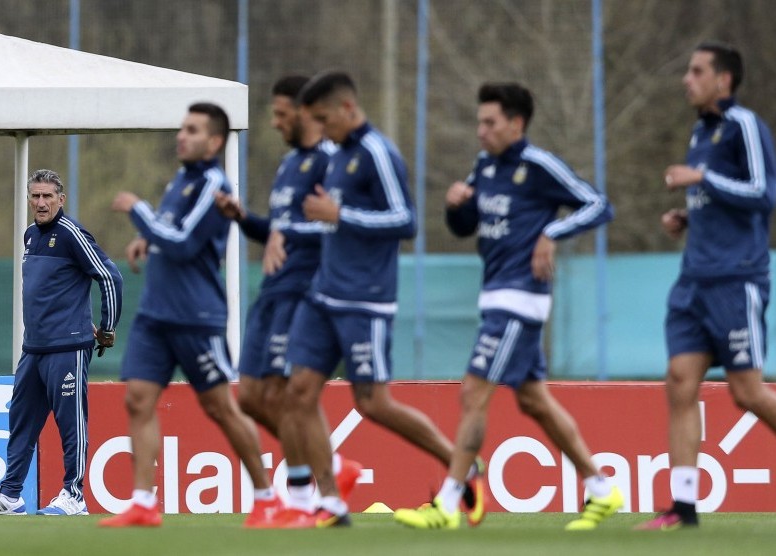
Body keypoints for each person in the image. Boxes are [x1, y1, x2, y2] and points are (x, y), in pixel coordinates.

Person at [394, 82, 621, 531]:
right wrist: (457, 206)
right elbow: (465, 228)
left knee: (473, 391)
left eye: (490, 122)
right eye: (480, 122)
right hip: (496, 293)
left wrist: (551, 234)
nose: (481, 131)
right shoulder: (485, 166)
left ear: (516, 124)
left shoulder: (538, 166)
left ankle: (450, 500)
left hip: (521, 298)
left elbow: (598, 204)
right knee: (534, 400)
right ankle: (601, 488)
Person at [278, 71, 484, 529]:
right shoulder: (338, 157)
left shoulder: (377, 152)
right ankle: (329, 501)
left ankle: (460, 463)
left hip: (365, 301)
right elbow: (333, 221)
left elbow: (405, 220)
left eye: (325, 118)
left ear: (348, 109)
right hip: (323, 296)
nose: (323, 130)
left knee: (373, 403)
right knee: (298, 392)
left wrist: (341, 214)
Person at [98, 103, 279, 528]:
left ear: (214, 141)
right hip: (155, 315)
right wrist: (147, 239)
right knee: (138, 399)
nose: (182, 135)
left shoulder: (214, 184)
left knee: (220, 408)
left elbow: (182, 243)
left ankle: (268, 497)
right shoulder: (181, 179)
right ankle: (143, 502)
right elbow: (169, 230)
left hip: (196, 317)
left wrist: (139, 212)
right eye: (182, 128)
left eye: (193, 130)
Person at [636, 42, 776, 530]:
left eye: (697, 71)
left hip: (736, 279)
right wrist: (686, 216)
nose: (686, 79)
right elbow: (718, 199)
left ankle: (685, 505)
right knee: (679, 381)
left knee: (748, 393)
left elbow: (763, 193)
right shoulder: (701, 132)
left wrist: (702, 177)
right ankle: (684, 506)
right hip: (694, 279)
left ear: (724, 80)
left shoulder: (745, 126)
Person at [214, 75, 361, 524]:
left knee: (288, 393)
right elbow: (279, 230)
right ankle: (330, 468)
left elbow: (337, 227)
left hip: (305, 290)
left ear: (304, 112)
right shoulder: (288, 164)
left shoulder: (330, 162)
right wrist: (246, 219)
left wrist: (286, 231)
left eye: (282, 115)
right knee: (253, 397)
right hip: (273, 289)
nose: (275, 123)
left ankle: (306, 498)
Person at [0, 169, 123, 516]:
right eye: (35, 196)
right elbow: (53, 290)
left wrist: (107, 327)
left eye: (47, 196)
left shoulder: (72, 235)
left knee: (71, 425)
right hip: (33, 349)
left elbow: (110, 276)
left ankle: (74, 496)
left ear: (60, 199)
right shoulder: (30, 236)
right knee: (20, 423)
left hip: (67, 349)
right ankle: (10, 496)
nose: (40, 202)